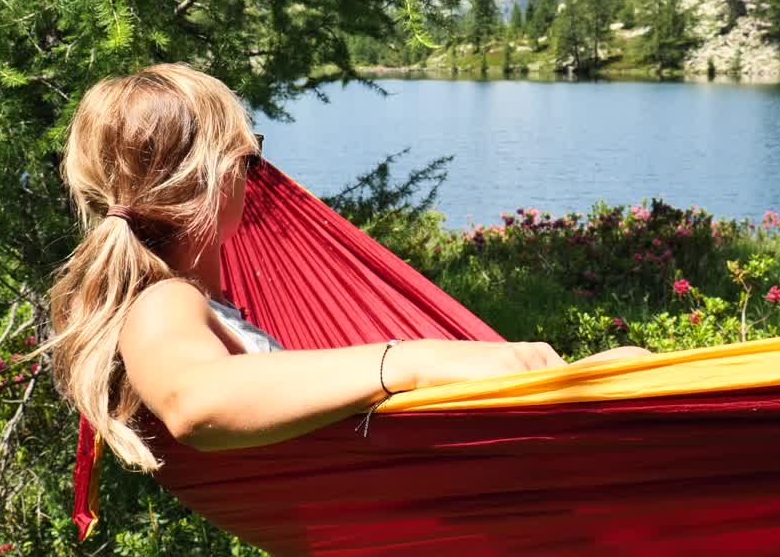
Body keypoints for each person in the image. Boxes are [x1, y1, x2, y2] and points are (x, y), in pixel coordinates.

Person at [44, 63, 648, 472]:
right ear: (217, 175)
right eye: (250, 157)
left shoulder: (193, 301)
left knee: (629, 371)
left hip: (401, 480)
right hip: (404, 491)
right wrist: (414, 359)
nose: (257, 179)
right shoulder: (163, 303)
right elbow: (194, 400)